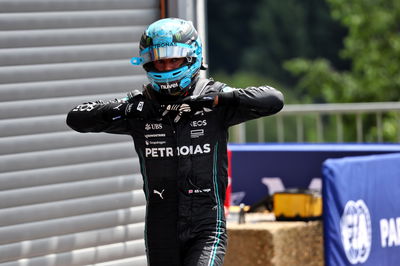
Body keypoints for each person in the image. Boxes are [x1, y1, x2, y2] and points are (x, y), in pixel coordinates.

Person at [66, 17, 284, 266]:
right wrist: (123, 110)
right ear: (148, 63)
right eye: (159, 61)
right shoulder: (139, 106)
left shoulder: (213, 98)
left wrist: (219, 100)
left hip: (206, 226)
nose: (167, 68)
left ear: (192, 57)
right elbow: (76, 118)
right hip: (161, 229)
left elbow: (273, 99)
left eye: (174, 60)